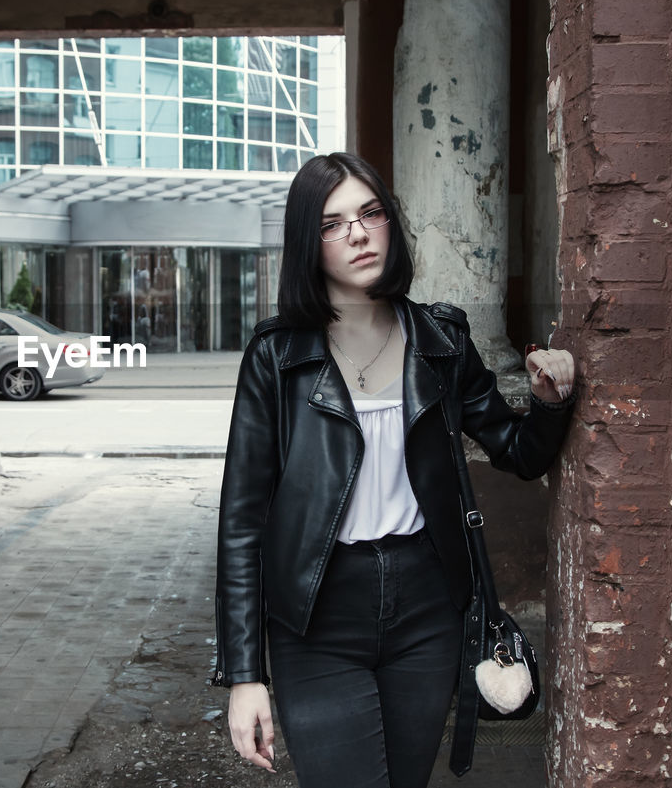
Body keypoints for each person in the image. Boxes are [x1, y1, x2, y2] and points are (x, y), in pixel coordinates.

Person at [213, 152, 575, 788]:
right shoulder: (277, 358)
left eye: (369, 213)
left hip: (426, 609)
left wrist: (548, 403)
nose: (357, 233)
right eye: (332, 223)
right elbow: (242, 525)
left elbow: (518, 453)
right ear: (307, 242)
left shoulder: (441, 342)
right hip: (318, 615)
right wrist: (245, 675)